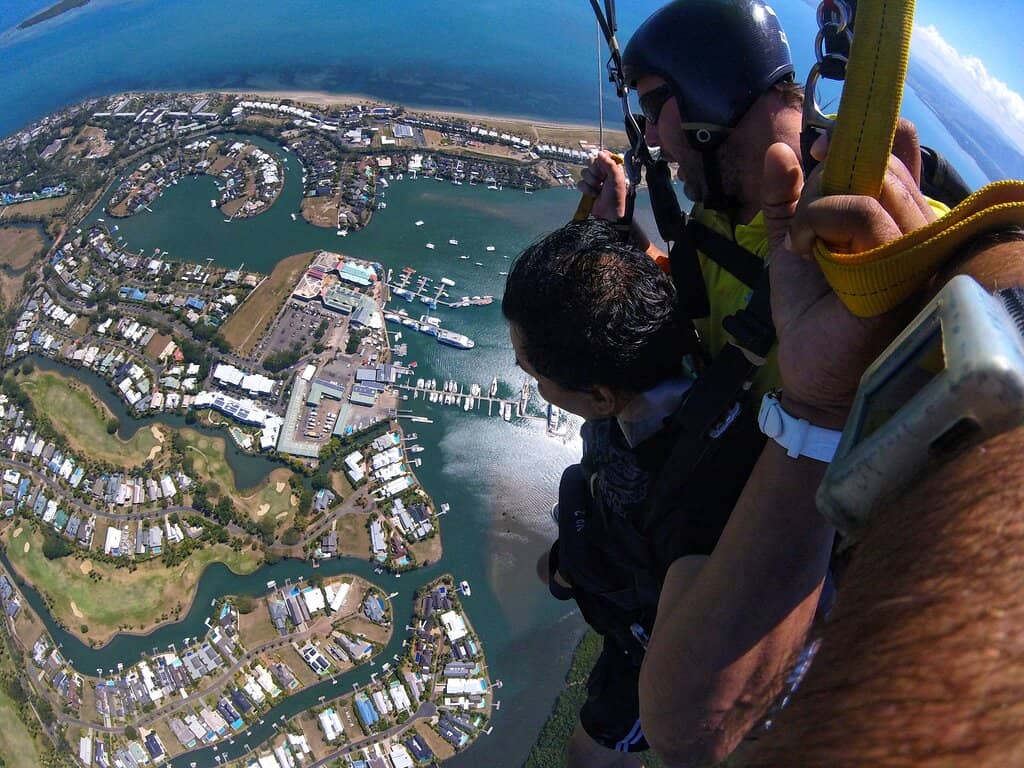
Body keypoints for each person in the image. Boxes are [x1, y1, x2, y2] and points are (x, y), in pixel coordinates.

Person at [502, 218, 766, 765]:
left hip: (645, 641)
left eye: (533, 375)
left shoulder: (689, 498)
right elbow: (614, 296)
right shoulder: (676, 356)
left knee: (588, 758)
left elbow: (693, 704)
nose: (528, 378)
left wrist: (582, 572)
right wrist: (613, 228)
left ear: (600, 398)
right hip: (626, 574)